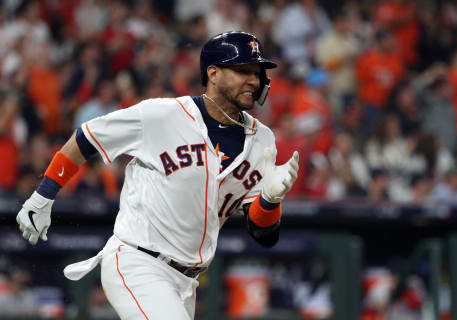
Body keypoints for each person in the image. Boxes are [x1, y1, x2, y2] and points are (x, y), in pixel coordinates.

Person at [16, 31, 299, 319]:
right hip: (138, 261)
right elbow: (88, 137)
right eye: (242, 70)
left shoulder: (262, 141)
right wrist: (43, 195)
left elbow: (263, 234)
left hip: (187, 281)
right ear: (213, 74)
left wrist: (270, 199)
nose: (253, 79)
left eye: (257, 72)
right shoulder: (162, 115)